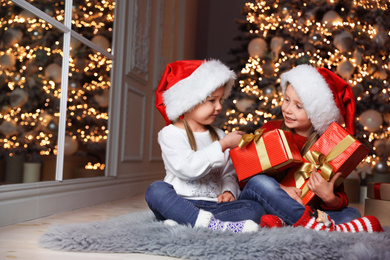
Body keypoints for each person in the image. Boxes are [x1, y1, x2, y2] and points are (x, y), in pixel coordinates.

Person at [239, 64, 383, 233]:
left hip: (300, 210)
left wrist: (330, 198)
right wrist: (282, 191)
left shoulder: (326, 149)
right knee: (259, 182)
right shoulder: (271, 129)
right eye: (286, 99)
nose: (287, 109)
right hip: (263, 201)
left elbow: (339, 197)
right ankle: (317, 225)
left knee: (352, 213)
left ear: (316, 114)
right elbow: (247, 177)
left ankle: (285, 221)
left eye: (298, 106)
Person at [145, 59, 265, 233]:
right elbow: (187, 167)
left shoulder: (219, 134)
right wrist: (222, 145)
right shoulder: (170, 134)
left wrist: (229, 191)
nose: (219, 107)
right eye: (212, 100)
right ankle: (211, 225)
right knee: (156, 190)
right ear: (189, 101)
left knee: (255, 209)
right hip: (180, 203)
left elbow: (229, 173)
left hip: (215, 206)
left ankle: (187, 222)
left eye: (221, 99)